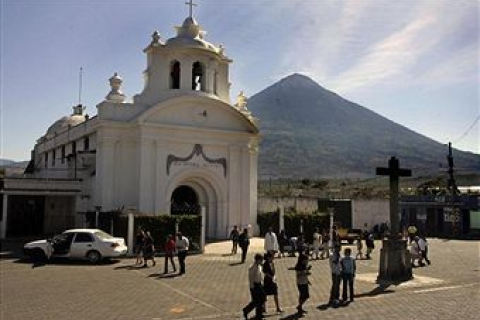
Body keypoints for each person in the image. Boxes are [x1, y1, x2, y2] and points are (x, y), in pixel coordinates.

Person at [242, 253, 266, 320]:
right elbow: (251, 279)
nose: (262, 261)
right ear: (257, 260)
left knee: (262, 299)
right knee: (255, 301)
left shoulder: (259, 266)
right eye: (261, 260)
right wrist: (252, 288)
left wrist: (262, 283)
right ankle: (246, 310)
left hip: (259, 285)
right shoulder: (252, 268)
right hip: (255, 286)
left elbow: (260, 276)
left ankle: (259, 314)